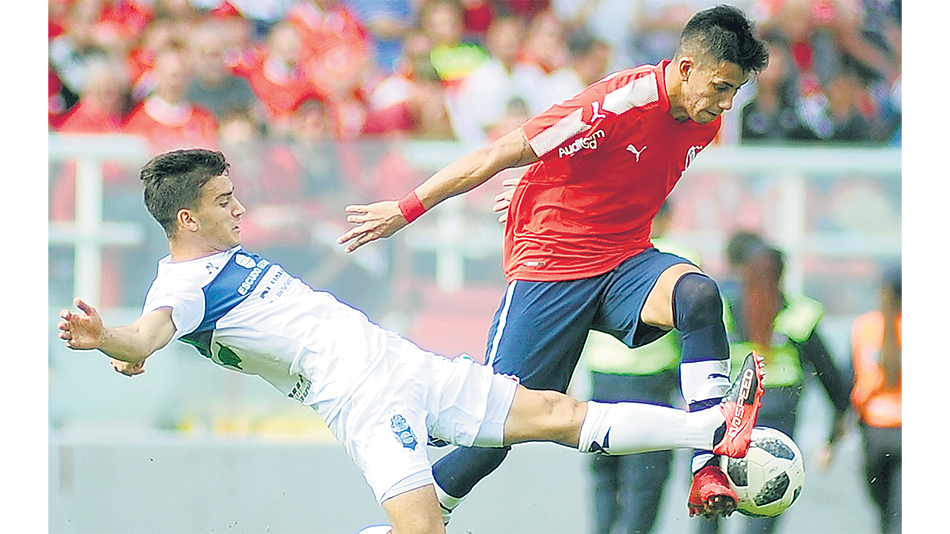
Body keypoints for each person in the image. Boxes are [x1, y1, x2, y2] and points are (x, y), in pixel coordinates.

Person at [58, 148, 765, 534]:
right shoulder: (177, 285)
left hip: (403, 363)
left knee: (554, 413)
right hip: (362, 398)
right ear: (186, 217)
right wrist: (108, 340)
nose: (238, 205)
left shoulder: (220, 261)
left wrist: (125, 350)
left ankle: (711, 430)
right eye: (222, 200)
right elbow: (146, 337)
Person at [337, 4, 770, 522]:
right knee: (492, 435)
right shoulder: (618, 100)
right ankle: (411, 521)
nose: (725, 104)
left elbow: (605, 168)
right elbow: (498, 153)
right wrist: (405, 208)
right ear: (684, 67)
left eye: (734, 92)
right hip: (551, 265)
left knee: (699, 295)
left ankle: (709, 461)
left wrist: (544, 176)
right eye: (720, 87)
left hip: (623, 260)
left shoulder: (703, 122)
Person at [699, 243, 851, 534]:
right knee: (764, 501)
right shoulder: (799, 315)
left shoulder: (723, 311)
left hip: (727, 415)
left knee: (711, 507)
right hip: (778, 416)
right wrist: (835, 429)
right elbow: (829, 375)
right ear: (783, 276)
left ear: (744, 273)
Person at [581, 199, 700, 534]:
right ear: (667, 218)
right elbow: (693, 326)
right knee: (644, 481)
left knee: (605, 474)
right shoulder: (680, 257)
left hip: (601, 378)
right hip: (651, 382)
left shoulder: (602, 250)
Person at [849, 265, 901, 534]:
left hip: (875, 431)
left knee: (884, 507)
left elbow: (851, 378)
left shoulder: (865, 327)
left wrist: (835, 435)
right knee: (900, 513)